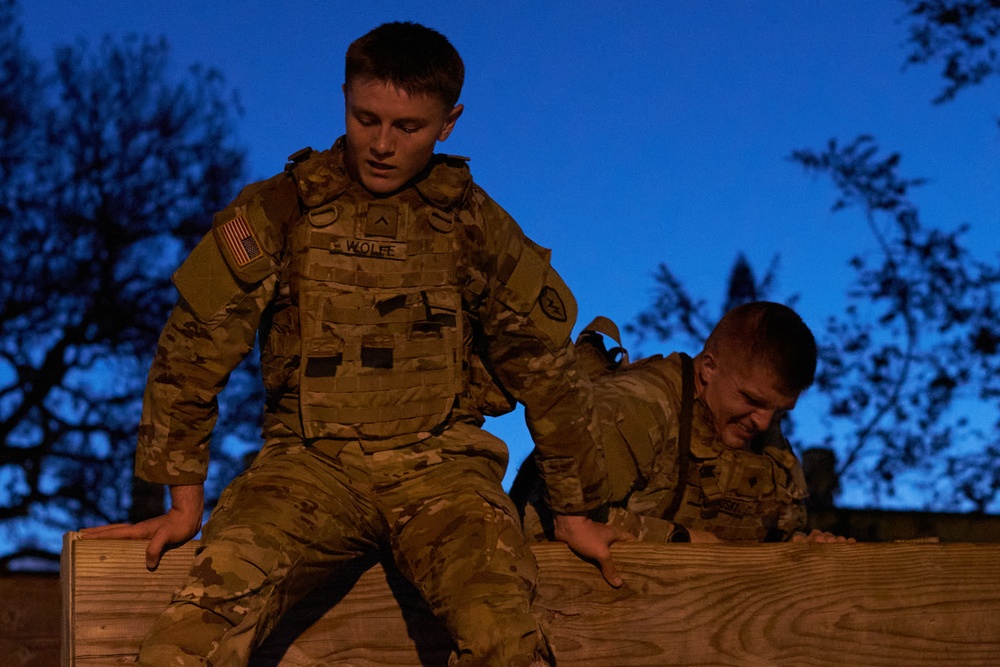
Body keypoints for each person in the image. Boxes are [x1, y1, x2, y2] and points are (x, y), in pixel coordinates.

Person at [80, 22, 626, 666]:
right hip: (307, 469)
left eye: (409, 128)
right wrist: (183, 501)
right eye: (366, 119)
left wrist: (574, 511)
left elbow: (544, 368)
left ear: (448, 123)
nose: (383, 145)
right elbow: (193, 351)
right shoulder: (281, 210)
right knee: (186, 642)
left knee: (506, 640)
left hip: (441, 473)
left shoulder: (473, 224)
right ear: (343, 97)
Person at [513, 301, 852, 545]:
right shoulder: (639, 407)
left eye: (779, 412)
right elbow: (540, 521)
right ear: (708, 368)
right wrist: (680, 539)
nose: (764, 422)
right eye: (751, 400)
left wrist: (804, 551)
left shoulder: (769, 447)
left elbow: (773, 542)